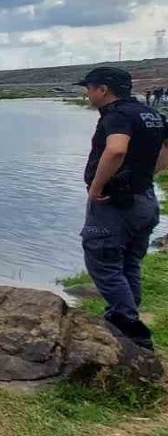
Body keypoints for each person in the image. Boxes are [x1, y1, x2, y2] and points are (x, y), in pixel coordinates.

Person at [76, 67, 165, 350]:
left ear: (103, 90)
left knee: (101, 260)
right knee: (129, 263)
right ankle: (123, 316)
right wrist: (143, 175)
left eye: (89, 87)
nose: (86, 92)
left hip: (116, 204)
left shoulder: (117, 115)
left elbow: (116, 149)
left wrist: (98, 186)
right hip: (144, 199)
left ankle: (130, 328)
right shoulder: (150, 114)